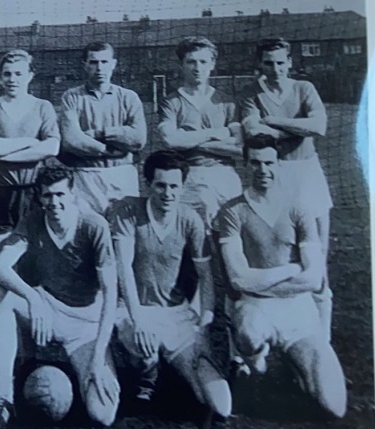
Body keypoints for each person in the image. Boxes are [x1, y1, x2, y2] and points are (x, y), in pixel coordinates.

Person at [215, 135, 347, 418]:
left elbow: (313, 280)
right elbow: (238, 279)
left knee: (333, 407)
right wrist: (290, 269)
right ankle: (253, 361)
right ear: (245, 165)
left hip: (298, 309)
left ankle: (294, 363)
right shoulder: (232, 211)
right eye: (256, 163)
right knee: (248, 332)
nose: (263, 170)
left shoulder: (299, 208)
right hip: (256, 307)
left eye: (269, 163)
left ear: (278, 165)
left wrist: (260, 280)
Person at [0, 168, 120, 428]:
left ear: (73, 194)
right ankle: (3, 398)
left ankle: (89, 368)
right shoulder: (33, 220)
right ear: (40, 197)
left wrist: (99, 356)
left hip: (86, 323)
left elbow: (110, 294)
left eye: (60, 194)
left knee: (102, 414)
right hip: (48, 306)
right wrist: (33, 298)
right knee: (1, 294)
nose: (54, 202)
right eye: (47, 196)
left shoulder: (94, 226)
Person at [107, 151, 231, 418]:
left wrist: (204, 328)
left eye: (174, 186)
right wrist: (137, 320)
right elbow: (124, 269)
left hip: (176, 314)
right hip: (135, 309)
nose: (168, 193)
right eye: (160, 185)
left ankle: (174, 364)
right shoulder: (128, 210)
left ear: (182, 186)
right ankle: (148, 373)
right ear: (148, 184)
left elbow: (206, 277)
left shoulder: (190, 219)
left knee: (218, 404)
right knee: (144, 352)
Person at [240, 38, 333, 341]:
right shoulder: (251, 93)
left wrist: (274, 121)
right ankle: (273, 335)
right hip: (273, 175)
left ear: (290, 62)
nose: (275, 69)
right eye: (269, 62)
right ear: (260, 65)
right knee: (276, 256)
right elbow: (254, 131)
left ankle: (322, 340)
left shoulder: (304, 89)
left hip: (308, 173)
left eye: (281, 62)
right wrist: (295, 126)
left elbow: (319, 126)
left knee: (317, 261)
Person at [0, 49, 60, 255]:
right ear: (0, 78)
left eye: (18, 74)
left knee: (33, 252)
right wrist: (30, 142)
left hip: (33, 191)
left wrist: (4, 156)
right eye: (7, 74)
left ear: (30, 76)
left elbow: (52, 147)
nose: (12, 79)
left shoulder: (42, 107)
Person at [157, 36, 242, 229]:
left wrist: (187, 138)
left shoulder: (227, 102)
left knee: (229, 236)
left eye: (203, 61)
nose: (197, 67)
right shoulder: (171, 102)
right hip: (188, 176)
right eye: (191, 62)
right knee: (192, 238)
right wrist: (216, 132)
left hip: (224, 175)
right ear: (181, 65)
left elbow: (240, 148)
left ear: (212, 64)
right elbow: (170, 140)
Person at [59, 41, 147, 215]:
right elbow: (71, 141)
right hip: (86, 175)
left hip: (122, 174)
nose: (99, 68)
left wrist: (99, 134)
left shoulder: (129, 97)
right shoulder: (71, 97)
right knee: (88, 232)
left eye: (104, 62)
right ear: (85, 65)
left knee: (123, 233)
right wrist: (109, 149)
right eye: (93, 62)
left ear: (113, 64)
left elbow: (138, 139)